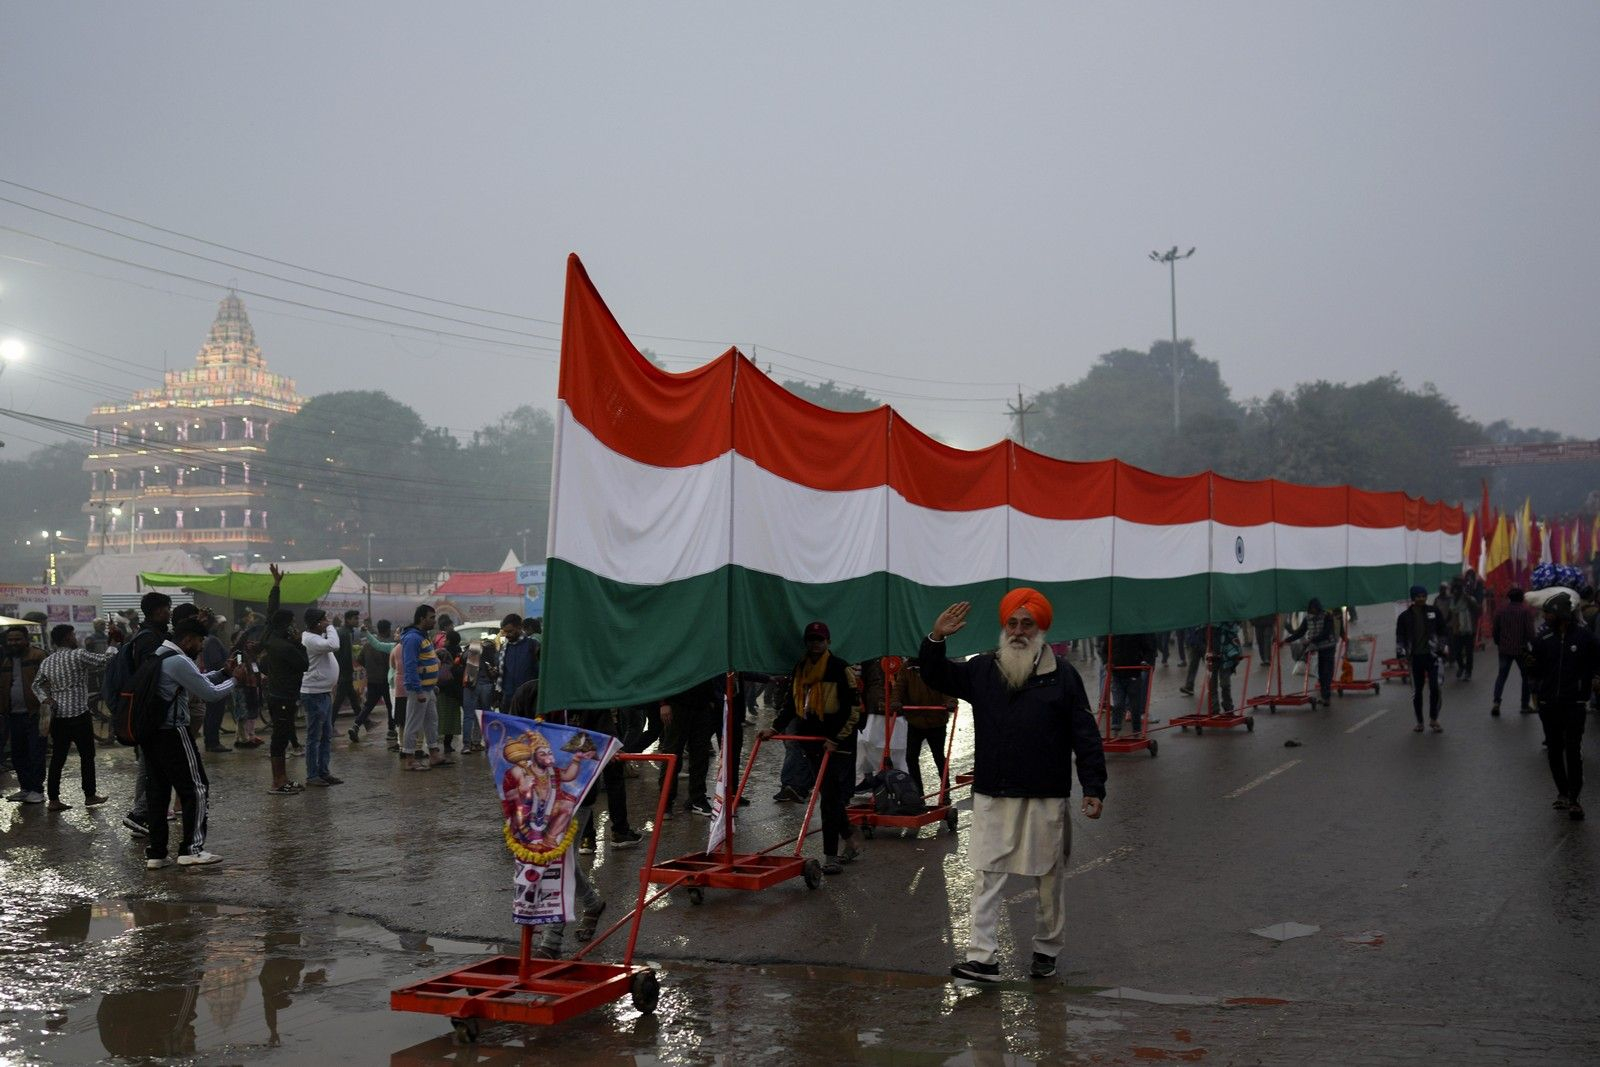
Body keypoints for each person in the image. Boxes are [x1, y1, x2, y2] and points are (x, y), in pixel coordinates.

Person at [917, 590, 1106, 983]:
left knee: (1048, 877)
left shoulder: (1063, 675)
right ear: (1004, 627)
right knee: (986, 873)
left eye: (1027, 624)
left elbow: (1084, 733)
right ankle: (982, 958)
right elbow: (935, 675)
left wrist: (1093, 786)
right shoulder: (983, 669)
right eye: (1012, 623)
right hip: (994, 792)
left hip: (1044, 794)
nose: (1019, 631)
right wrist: (936, 639)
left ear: (1041, 629)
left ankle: (1046, 950)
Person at [760, 621, 862, 874]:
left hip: (837, 743)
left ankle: (830, 856)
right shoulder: (800, 669)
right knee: (831, 796)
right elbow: (791, 706)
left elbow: (853, 709)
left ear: (828, 642)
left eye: (820, 639)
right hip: (811, 742)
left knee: (828, 797)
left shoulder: (840, 668)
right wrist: (774, 728)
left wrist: (836, 738)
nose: (815, 643)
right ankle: (850, 841)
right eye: (811, 639)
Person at [142, 617, 235, 868]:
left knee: (158, 793)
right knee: (196, 787)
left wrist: (223, 673)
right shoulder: (179, 660)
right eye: (199, 641)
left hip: (151, 733)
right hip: (174, 732)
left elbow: (199, 680)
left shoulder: (158, 654)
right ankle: (191, 849)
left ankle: (157, 854)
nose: (201, 646)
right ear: (187, 639)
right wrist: (235, 681)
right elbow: (209, 694)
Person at [1526, 593, 1600, 821]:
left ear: (1560, 614)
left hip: (1575, 702)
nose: (1544, 617)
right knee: (1555, 750)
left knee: (1573, 749)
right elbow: (1534, 671)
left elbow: (1597, 661)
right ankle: (1563, 791)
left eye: (1548, 613)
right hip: (1548, 703)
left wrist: (1595, 678)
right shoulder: (1543, 638)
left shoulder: (1585, 637)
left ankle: (1575, 800)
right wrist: (1530, 664)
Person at [31, 623, 117, 810]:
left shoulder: (48, 661)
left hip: (58, 718)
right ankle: (90, 795)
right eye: (73, 635)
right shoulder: (78, 655)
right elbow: (107, 660)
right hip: (79, 715)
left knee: (58, 759)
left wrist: (46, 699)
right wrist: (113, 644)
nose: (75, 637)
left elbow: (35, 685)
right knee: (87, 756)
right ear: (66, 638)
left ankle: (53, 800)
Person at [119, 591, 174, 835]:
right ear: (158, 611)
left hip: (147, 709)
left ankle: (142, 816)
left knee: (147, 763)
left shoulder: (149, 634)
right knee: (158, 764)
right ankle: (140, 813)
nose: (169, 613)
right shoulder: (149, 638)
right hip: (150, 709)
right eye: (166, 609)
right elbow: (150, 674)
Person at [260, 566, 310, 795]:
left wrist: (276, 585)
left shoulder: (271, 636)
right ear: (287, 625)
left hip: (276, 694)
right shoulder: (287, 647)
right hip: (284, 696)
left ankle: (281, 779)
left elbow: (272, 612)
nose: (295, 626)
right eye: (292, 623)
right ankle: (278, 782)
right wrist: (300, 642)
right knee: (279, 738)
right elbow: (304, 665)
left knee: (281, 735)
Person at [892, 661, 958, 806]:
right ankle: (918, 793)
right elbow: (899, 687)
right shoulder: (907, 668)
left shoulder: (937, 665)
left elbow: (947, 687)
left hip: (936, 720)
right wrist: (896, 701)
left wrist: (951, 701)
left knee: (938, 757)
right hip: (915, 719)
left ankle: (945, 791)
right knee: (911, 757)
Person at [659, 677, 718, 817]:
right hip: (677, 702)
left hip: (701, 703)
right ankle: (666, 803)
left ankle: (697, 799)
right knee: (672, 754)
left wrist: (711, 699)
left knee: (700, 754)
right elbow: (664, 667)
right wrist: (664, 702)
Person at [2, 625, 49, 804]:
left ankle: (37, 790)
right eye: (10, 640)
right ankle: (25, 788)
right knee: (18, 754)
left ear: (26, 640)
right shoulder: (5, 659)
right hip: (13, 715)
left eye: (17, 639)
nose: (13, 643)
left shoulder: (38, 656)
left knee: (36, 752)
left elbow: (47, 682)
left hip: (35, 713)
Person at [400, 604, 448, 771]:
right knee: (413, 724)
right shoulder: (413, 638)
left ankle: (434, 754)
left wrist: (431, 684)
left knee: (431, 722)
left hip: (428, 689)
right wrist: (418, 690)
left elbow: (427, 659)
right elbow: (410, 666)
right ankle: (410, 759)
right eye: (431, 618)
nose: (434, 621)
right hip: (418, 690)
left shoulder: (423, 636)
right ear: (421, 618)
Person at [299, 607, 342, 786]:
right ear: (317, 623)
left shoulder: (316, 637)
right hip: (313, 693)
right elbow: (334, 645)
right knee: (314, 736)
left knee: (326, 735)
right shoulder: (311, 639)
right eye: (324, 620)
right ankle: (312, 775)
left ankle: (323, 771)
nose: (326, 622)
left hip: (323, 691)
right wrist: (330, 627)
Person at [1395, 584, 1447, 732]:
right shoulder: (1404, 617)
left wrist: (1442, 646)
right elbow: (1400, 637)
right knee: (1417, 691)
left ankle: (1434, 719)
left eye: (1423, 596)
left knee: (1435, 688)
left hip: (1433, 657)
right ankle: (1419, 721)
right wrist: (1401, 654)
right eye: (1418, 596)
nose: (1421, 599)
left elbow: (1443, 630)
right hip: (1415, 659)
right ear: (1413, 598)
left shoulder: (1434, 612)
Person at [1491, 587, 1537, 716]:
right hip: (1521, 649)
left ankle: (1496, 702)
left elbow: (1495, 629)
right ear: (1521, 598)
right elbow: (1530, 632)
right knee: (1526, 676)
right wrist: (1535, 646)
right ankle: (1524, 705)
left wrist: (1498, 642)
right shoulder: (1525, 611)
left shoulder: (1501, 610)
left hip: (1504, 648)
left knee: (1502, 676)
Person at [1284, 599, 1341, 705]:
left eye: (1314, 609)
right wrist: (1286, 640)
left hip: (1328, 647)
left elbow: (1326, 633)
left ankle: (1326, 696)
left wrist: (1311, 640)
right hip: (1317, 647)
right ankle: (1325, 695)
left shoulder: (1326, 616)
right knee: (1320, 672)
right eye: (1311, 609)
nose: (1313, 611)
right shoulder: (1308, 619)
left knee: (1327, 672)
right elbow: (1300, 632)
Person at [1098, 633, 1155, 735]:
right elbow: (1104, 651)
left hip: (1134, 673)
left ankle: (1136, 729)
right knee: (1118, 703)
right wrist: (1107, 662)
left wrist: (1146, 661)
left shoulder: (1137, 633)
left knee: (1134, 705)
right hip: (1117, 675)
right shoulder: (1112, 634)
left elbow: (1148, 649)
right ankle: (1116, 726)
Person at [350, 620, 395, 743]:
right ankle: (391, 731)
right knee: (391, 705)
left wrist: (370, 669)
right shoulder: (388, 645)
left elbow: (359, 660)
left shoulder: (368, 644)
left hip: (373, 679)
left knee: (368, 706)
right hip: (386, 680)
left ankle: (356, 726)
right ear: (387, 630)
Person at [199, 611, 233, 754]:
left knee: (212, 713)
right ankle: (212, 742)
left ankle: (211, 741)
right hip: (218, 679)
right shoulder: (212, 640)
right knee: (215, 713)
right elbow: (216, 661)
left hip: (213, 677)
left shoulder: (208, 639)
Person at [498, 614, 539, 712]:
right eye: (505, 632)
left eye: (510, 631)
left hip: (528, 699)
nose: (507, 635)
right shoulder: (505, 648)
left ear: (519, 627)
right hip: (508, 698)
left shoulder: (533, 645)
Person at [329, 610, 363, 722]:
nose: (357, 621)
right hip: (344, 673)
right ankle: (329, 725)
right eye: (355, 618)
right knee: (339, 701)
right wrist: (346, 672)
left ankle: (365, 722)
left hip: (343, 672)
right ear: (348, 620)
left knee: (353, 699)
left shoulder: (346, 632)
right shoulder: (344, 634)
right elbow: (345, 656)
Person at [437, 627, 465, 754]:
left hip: (443, 689)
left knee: (441, 716)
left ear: (449, 641)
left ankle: (439, 743)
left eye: (446, 639)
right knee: (453, 717)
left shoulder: (442, 653)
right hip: (456, 690)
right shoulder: (461, 653)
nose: (444, 641)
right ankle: (448, 744)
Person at [1446, 578, 1479, 680]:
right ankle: (1461, 666)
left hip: (1468, 631)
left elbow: (1476, 610)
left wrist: (1467, 597)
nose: (1456, 591)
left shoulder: (1469, 599)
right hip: (1456, 630)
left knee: (1469, 653)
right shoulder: (1452, 601)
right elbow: (1450, 614)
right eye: (1454, 589)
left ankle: (1468, 672)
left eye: (1458, 589)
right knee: (1457, 652)